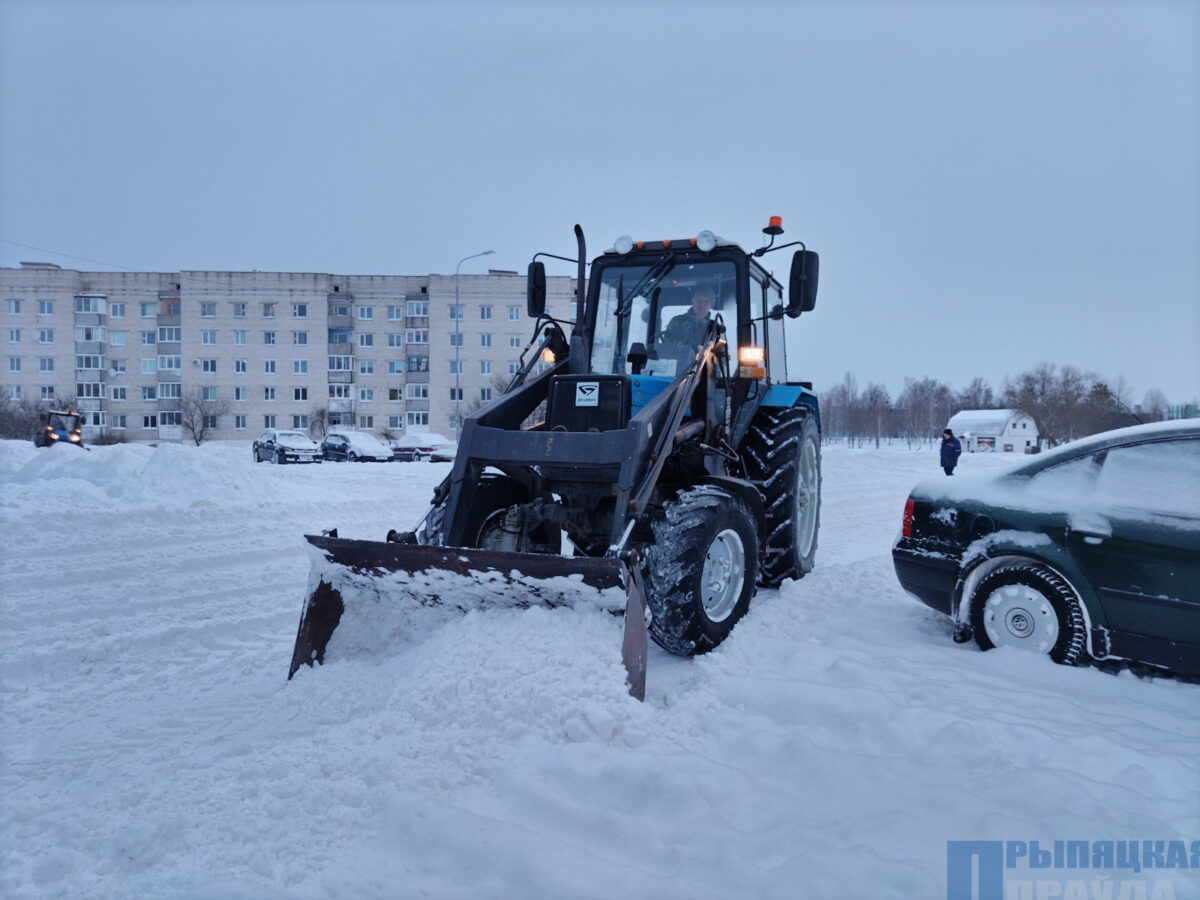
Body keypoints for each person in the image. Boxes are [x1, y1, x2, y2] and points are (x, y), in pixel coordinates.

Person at [661, 291, 714, 370]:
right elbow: (667, 345)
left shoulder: (714, 327)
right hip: (678, 369)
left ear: (711, 305)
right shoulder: (677, 321)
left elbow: (720, 354)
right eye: (699, 300)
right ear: (693, 301)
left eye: (706, 302)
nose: (702, 304)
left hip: (704, 370)